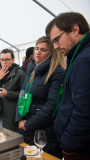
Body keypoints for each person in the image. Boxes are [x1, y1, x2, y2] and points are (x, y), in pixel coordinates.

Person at [45, 12, 90, 160]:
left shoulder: (84, 59)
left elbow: (84, 111)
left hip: (79, 149)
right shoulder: (78, 55)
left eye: (57, 40)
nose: (56, 46)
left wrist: (68, 145)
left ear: (75, 30)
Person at [15, 36, 66, 158]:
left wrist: (28, 124)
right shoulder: (32, 69)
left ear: (51, 52)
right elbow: (22, 94)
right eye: (37, 48)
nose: (38, 52)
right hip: (25, 127)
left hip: (44, 131)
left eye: (43, 50)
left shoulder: (57, 72)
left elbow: (52, 106)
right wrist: (19, 118)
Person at [0, 49, 25, 131]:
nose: (4, 62)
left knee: (11, 137)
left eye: (7, 59)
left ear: (13, 60)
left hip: (12, 114)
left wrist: (8, 94)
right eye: (2, 60)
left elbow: (24, 95)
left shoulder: (20, 74)